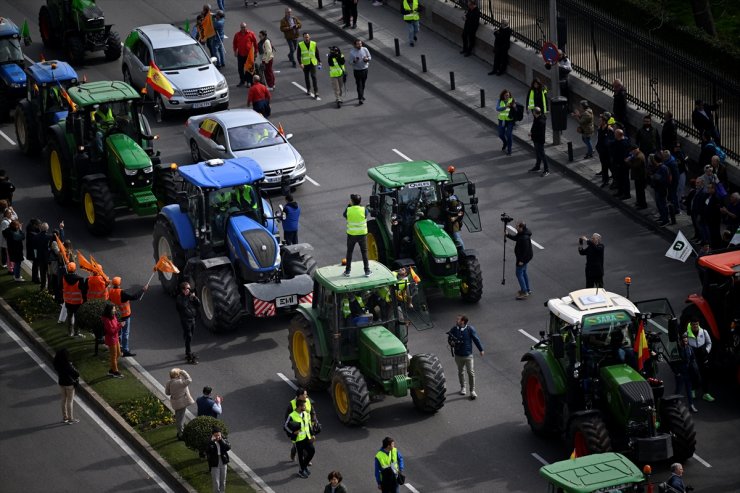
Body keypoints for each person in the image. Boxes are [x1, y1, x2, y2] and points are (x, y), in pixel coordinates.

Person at [108, 276, 147, 358]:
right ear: (119, 284)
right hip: (125, 316)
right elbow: (134, 297)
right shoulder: (122, 293)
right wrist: (142, 290)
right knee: (125, 333)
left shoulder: (110, 291)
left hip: (116, 316)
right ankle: (125, 350)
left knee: (118, 333)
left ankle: (118, 348)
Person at [447, 315, 484, 399]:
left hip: (468, 356)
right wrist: (451, 343)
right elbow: (449, 338)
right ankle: (463, 387)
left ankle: (472, 391)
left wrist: (481, 349)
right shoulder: (454, 329)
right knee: (461, 372)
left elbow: (476, 339)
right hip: (458, 355)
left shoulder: (470, 329)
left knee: (471, 372)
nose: (456, 321)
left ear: (463, 321)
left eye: (458, 320)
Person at [284, 387, 318, 462]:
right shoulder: (292, 404)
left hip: (307, 428)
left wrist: (314, 421)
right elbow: (287, 419)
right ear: (300, 396)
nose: (306, 396)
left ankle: (305, 460)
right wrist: (292, 431)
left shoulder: (307, 400)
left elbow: (312, 412)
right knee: (298, 446)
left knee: (308, 445)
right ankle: (296, 455)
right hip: (298, 431)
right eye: (305, 394)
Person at [284, 399, 315, 479]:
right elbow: (285, 426)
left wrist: (312, 435)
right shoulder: (292, 415)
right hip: (298, 440)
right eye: (304, 406)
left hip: (306, 438)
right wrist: (292, 433)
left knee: (312, 451)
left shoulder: (306, 414)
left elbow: (308, 425)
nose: (305, 407)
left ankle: (303, 467)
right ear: (299, 407)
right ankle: (301, 471)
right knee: (300, 456)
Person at [686, 318, 714, 403]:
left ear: (698, 324)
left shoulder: (704, 332)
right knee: (694, 374)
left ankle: (706, 393)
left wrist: (707, 350)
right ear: (691, 325)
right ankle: (692, 390)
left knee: (705, 375)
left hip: (703, 356)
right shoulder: (686, 333)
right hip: (693, 357)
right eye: (694, 324)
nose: (695, 326)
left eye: (697, 324)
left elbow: (709, 343)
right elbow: (684, 345)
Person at [343, 194, 370, 277]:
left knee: (349, 252)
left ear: (352, 201)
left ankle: (347, 271)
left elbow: (344, 215)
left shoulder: (349, 209)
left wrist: (349, 206)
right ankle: (367, 271)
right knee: (364, 252)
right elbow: (366, 215)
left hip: (351, 235)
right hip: (362, 234)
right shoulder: (363, 209)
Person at [506, 221, 533, 300]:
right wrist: (507, 235)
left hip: (523, 258)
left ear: (521, 227)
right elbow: (516, 238)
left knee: (519, 273)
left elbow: (525, 251)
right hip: (526, 257)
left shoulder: (524, 238)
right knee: (523, 272)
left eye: (517, 227)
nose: (516, 228)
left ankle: (524, 292)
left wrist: (521, 261)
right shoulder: (522, 233)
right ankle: (527, 289)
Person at [166, 367, 195, 440]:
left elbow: (167, 393)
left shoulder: (169, 382)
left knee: (179, 417)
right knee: (180, 419)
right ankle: (180, 433)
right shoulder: (180, 382)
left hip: (175, 403)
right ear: (177, 375)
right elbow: (189, 379)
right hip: (182, 402)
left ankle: (180, 431)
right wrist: (183, 372)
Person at [176, 281, 201, 364]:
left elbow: (198, 304)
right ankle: (189, 354)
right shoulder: (179, 298)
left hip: (192, 319)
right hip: (185, 320)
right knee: (189, 336)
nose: (189, 290)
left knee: (190, 336)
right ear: (183, 290)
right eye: (187, 288)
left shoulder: (191, 296)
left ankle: (188, 352)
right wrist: (188, 298)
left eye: (189, 288)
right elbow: (183, 306)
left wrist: (195, 298)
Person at [53, 348, 80, 424]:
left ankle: (65, 417)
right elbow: (77, 374)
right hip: (69, 384)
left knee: (63, 400)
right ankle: (70, 418)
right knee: (70, 401)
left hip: (61, 383)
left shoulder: (56, 364)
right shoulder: (67, 364)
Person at [674, 333, 699, 413]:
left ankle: (691, 405)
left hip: (688, 373)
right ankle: (674, 405)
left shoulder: (689, 348)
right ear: (680, 340)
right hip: (680, 373)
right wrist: (677, 373)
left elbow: (693, 359)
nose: (685, 340)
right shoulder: (677, 349)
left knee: (689, 390)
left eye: (686, 338)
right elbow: (673, 363)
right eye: (684, 338)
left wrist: (694, 369)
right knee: (678, 390)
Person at [62, 262, 87, 337]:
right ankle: (76, 332)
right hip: (77, 302)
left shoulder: (64, 277)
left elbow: (60, 287)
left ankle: (70, 332)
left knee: (69, 317)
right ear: (75, 269)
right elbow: (83, 291)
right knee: (77, 318)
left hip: (68, 301)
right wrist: (84, 300)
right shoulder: (80, 279)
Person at [102, 303, 124, 378]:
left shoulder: (113, 316)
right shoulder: (106, 319)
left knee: (118, 354)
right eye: (113, 309)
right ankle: (115, 371)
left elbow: (116, 324)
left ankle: (112, 369)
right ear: (109, 310)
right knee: (114, 355)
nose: (115, 310)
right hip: (111, 339)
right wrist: (120, 326)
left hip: (115, 338)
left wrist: (119, 324)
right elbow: (111, 331)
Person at [298, 32, 321, 100]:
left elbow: (317, 53)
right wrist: (300, 63)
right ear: (303, 38)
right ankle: (308, 89)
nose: (306, 38)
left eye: (307, 37)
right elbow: (298, 55)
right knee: (306, 77)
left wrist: (320, 61)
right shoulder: (300, 44)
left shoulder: (314, 43)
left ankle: (316, 92)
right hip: (305, 63)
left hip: (312, 62)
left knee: (314, 77)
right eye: (305, 37)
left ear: (309, 37)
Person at [233, 22, 257, 87]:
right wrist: (235, 51)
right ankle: (242, 80)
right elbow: (234, 43)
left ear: (246, 27)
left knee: (249, 68)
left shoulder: (251, 33)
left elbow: (255, 43)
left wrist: (255, 52)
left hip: (249, 55)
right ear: (240, 28)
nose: (243, 28)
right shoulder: (237, 34)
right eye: (242, 27)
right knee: (240, 68)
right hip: (240, 54)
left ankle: (249, 81)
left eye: (244, 27)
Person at [207, 427, 230, 493]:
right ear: (213, 435)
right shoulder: (210, 441)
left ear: (220, 434)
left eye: (218, 435)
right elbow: (207, 450)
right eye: (216, 435)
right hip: (214, 462)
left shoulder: (223, 439)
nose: (217, 437)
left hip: (223, 461)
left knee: (223, 480)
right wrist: (212, 442)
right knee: (216, 482)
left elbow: (228, 447)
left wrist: (221, 441)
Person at [528, 107, 549, 176]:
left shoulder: (541, 121)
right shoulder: (537, 118)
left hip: (539, 140)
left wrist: (532, 134)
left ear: (534, 112)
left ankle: (546, 170)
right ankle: (537, 167)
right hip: (535, 139)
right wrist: (531, 132)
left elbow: (539, 132)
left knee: (542, 155)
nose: (532, 113)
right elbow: (533, 126)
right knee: (538, 154)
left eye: (533, 112)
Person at [595, 113, 615, 187]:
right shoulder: (600, 127)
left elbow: (612, 140)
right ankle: (605, 180)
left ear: (604, 121)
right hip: (601, 150)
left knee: (609, 165)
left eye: (601, 119)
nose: (599, 120)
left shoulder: (609, 129)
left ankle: (615, 178)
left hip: (607, 151)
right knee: (604, 166)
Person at [349, 39, 371, 104]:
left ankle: (360, 95)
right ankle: (360, 99)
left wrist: (367, 59)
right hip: (357, 71)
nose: (360, 45)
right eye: (358, 44)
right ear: (355, 45)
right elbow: (350, 62)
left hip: (365, 69)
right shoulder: (352, 52)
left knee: (363, 84)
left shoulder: (365, 49)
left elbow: (370, 57)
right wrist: (354, 61)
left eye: (360, 44)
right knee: (359, 84)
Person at [626, 144, 647, 208]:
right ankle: (639, 202)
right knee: (638, 191)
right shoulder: (638, 154)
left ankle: (642, 204)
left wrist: (628, 161)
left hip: (640, 177)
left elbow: (634, 166)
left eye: (632, 151)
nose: (631, 153)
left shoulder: (639, 157)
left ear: (635, 150)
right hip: (639, 176)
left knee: (640, 191)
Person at [496, 89, 515, 155]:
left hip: (510, 120)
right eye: (506, 95)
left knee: (509, 134)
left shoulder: (512, 100)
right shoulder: (499, 101)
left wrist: (514, 107)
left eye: (508, 95)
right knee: (500, 134)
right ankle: (505, 142)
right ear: (503, 95)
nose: (507, 97)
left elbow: (516, 109)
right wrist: (505, 106)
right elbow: (497, 109)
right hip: (501, 120)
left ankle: (509, 150)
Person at [26, 218, 41, 283]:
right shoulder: (31, 232)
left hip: (33, 249)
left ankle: (35, 278)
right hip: (34, 250)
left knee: (35, 264)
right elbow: (36, 238)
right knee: (36, 263)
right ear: (35, 225)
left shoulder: (32, 229)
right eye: (38, 225)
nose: (39, 226)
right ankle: (35, 278)